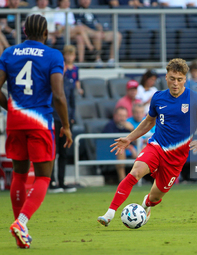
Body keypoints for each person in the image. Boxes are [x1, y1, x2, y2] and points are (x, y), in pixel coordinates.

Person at [97, 58, 197, 227]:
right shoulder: (158, 97)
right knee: (135, 172)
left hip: (176, 159)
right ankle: (109, 214)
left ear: (185, 80)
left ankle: (146, 204)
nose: (175, 83)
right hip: (157, 146)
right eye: (172, 78)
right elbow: (148, 122)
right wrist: (130, 138)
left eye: (179, 79)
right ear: (166, 77)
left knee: (155, 197)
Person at [0, 14, 72, 248]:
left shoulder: (9, 53)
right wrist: (67, 126)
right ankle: (21, 222)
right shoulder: (53, 55)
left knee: (19, 175)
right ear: (45, 34)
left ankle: (21, 232)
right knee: (43, 176)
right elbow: (59, 95)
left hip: (15, 122)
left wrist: (10, 107)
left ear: (24, 32)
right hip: (40, 123)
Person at [49, 45, 82, 194]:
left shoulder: (69, 83)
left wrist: (71, 118)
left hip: (66, 121)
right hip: (54, 120)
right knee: (52, 152)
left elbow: (72, 102)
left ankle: (61, 182)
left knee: (63, 152)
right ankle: (51, 182)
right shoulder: (50, 84)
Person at [75, 0, 122, 67]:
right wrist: (96, 32)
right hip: (87, 34)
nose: (86, 1)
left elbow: (97, 24)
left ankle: (111, 61)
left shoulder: (91, 11)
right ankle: (98, 60)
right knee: (97, 35)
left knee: (117, 35)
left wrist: (101, 30)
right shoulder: (76, 11)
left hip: (97, 32)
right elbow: (80, 26)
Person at [102, 106, 135, 182]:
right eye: (120, 116)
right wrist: (130, 147)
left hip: (129, 150)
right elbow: (110, 142)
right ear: (115, 116)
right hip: (111, 151)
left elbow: (136, 142)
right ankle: (122, 179)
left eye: (124, 116)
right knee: (120, 150)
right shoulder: (109, 126)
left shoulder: (127, 126)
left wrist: (132, 130)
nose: (122, 118)